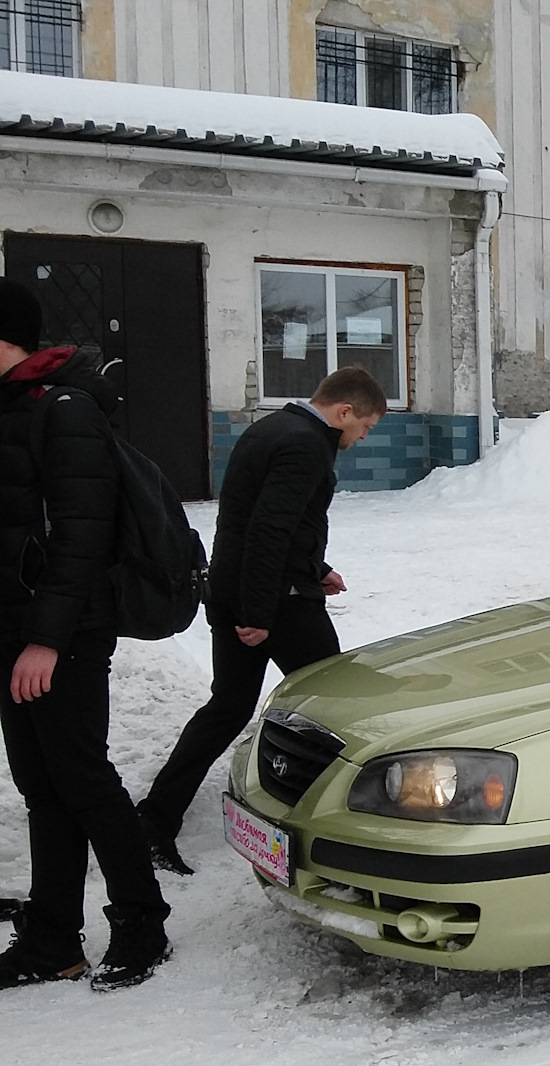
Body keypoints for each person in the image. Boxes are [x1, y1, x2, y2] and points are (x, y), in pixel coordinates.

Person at [137, 367, 385, 876]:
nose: (363, 438)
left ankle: (153, 822)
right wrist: (258, 614)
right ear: (344, 412)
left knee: (227, 708)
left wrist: (317, 568)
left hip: (240, 590)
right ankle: (334, 817)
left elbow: (256, 520)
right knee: (337, 701)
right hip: (276, 604)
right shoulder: (305, 445)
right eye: (365, 427)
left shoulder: (274, 428)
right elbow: (269, 532)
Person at [0, 280, 171, 990]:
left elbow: (80, 537)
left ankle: (141, 921)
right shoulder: (9, 406)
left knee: (85, 780)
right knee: (42, 785)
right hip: (15, 631)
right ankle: (53, 937)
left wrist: (45, 639)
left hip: (64, 632)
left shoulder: (63, 408)